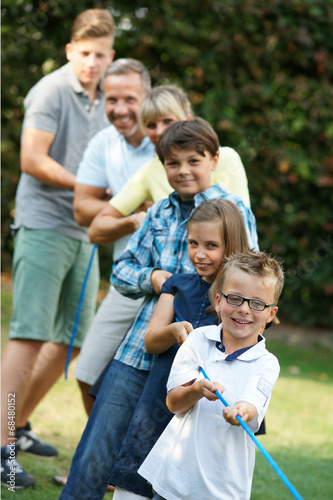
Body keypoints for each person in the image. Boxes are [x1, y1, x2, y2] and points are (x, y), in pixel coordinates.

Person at [59, 118, 259, 500]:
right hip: (141, 344)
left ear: (213, 160)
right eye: (172, 163)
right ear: (162, 166)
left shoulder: (233, 210)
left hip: (197, 360)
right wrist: (156, 279)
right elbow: (121, 269)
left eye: (192, 161)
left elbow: (247, 275)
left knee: (162, 451)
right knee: (98, 442)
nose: (182, 171)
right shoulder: (159, 212)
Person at [0, 9, 115, 489]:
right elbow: (32, 158)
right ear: (70, 51)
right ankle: (1, 448)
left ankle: (18, 424)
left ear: (111, 56)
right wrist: (88, 187)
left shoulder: (111, 95)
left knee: (75, 339)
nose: (92, 63)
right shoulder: (49, 90)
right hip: (45, 223)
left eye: (101, 55)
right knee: (28, 335)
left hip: (85, 232)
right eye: (84, 54)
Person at [110, 198, 250, 499]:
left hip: (207, 411)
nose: (199, 254)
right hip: (161, 398)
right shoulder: (178, 285)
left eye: (211, 245)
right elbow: (151, 340)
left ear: (232, 245)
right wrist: (173, 331)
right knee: (135, 477)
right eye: (193, 243)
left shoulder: (240, 301)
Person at [139, 250, 284, 500]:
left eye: (257, 303)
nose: (244, 310)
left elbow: (252, 406)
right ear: (218, 301)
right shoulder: (198, 340)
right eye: (235, 298)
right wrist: (196, 390)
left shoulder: (266, 363)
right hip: (173, 479)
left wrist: (240, 411)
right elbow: (174, 403)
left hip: (223, 489)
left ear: (270, 314)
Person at [71, 58, 155, 415]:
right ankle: (97, 465)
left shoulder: (172, 138)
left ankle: (128, 469)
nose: (120, 109)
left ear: (149, 96)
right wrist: (131, 214)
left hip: (178, 279)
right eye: (111, 99)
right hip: (128, 275)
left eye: (130, 99)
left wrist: (110, 207)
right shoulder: (103, 142)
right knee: (88, 374)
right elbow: (81, 208)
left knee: (155, 388)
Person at [88, 85, 250, 246]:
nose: (159, 131)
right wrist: (135, 221)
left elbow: (241, 229)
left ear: (187, 120)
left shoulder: (226, 158)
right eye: (151, 125)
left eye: (168, 121)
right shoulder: (150, 170)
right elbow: (95, 230)